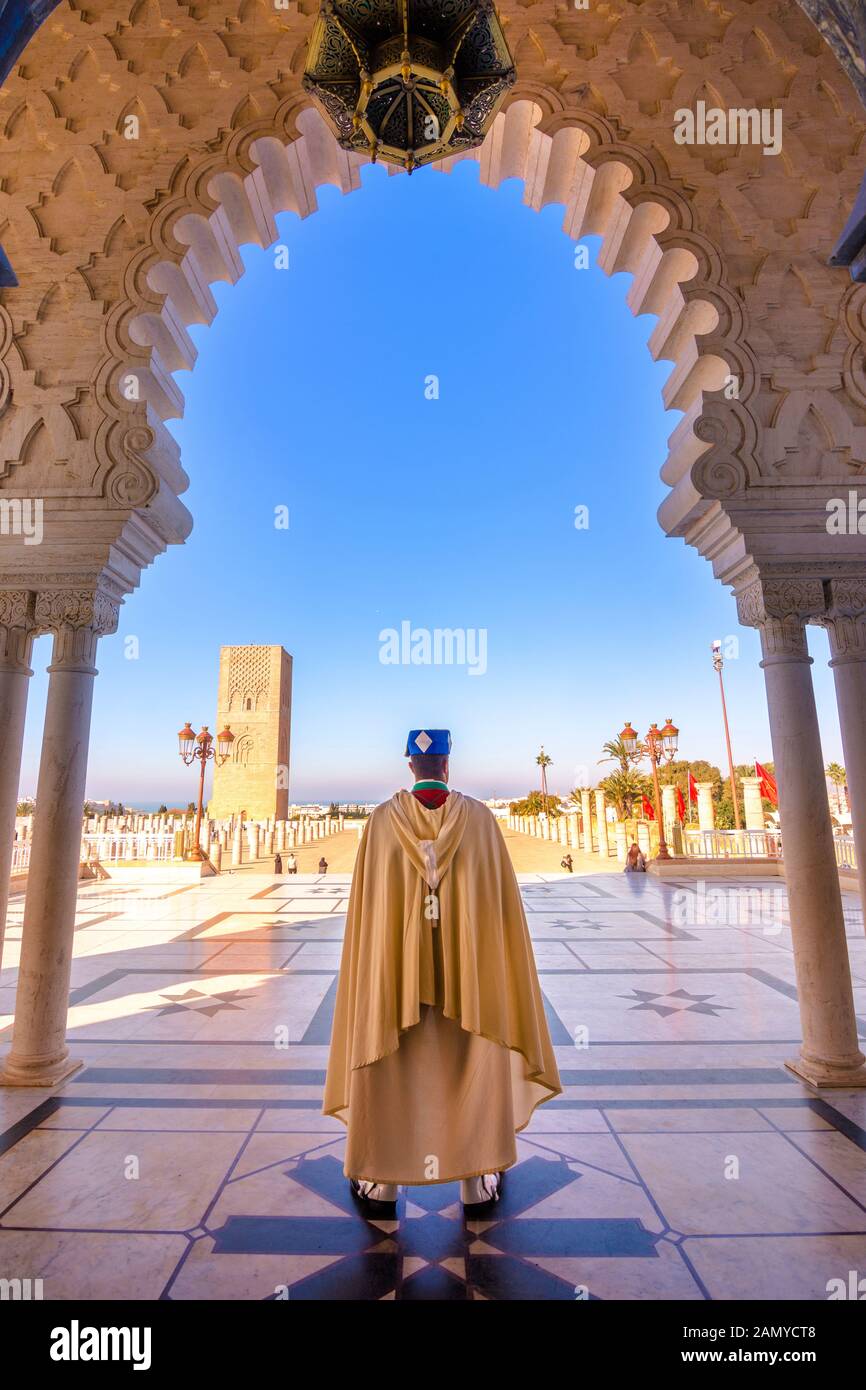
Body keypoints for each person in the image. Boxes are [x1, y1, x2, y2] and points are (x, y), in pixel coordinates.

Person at [323, 729, 561, 1216]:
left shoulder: (382, 823)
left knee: (390, 1066)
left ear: (410, 765)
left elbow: (370, 914)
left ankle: (383, 1183)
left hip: (395, 982)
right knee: (473, 1061)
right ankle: (476, 1179)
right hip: (470, 980)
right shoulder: (479, 821)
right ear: (447, 765)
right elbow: (499, 909)